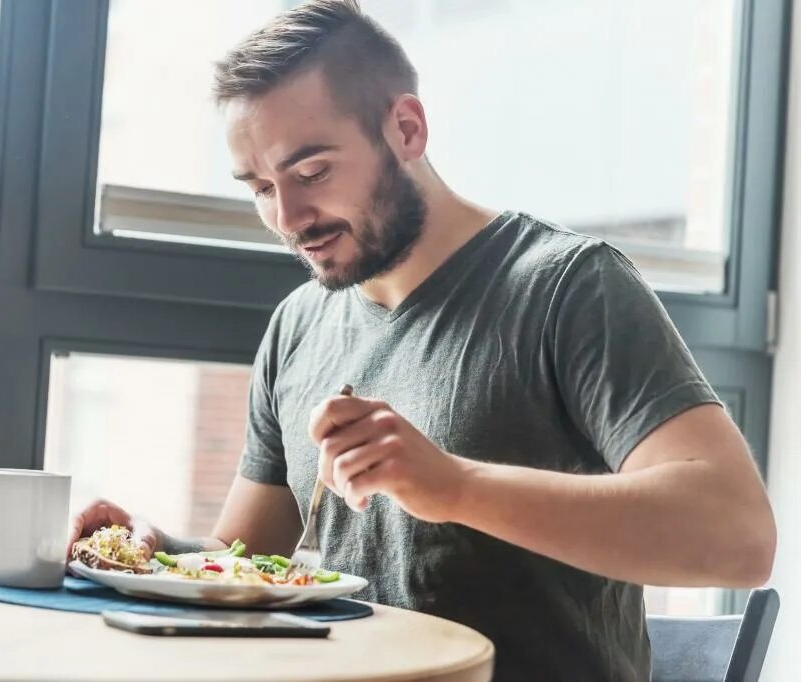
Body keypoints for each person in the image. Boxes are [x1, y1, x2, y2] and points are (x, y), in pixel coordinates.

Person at [67, 1, 776, 679]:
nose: (287, 217)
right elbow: (246, 558)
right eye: (259, 187)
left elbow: (738, 536)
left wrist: (455, 486)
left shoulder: (569, 287)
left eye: (312, 171)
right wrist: (155, 553)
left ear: (407, 129)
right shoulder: (298, 325)